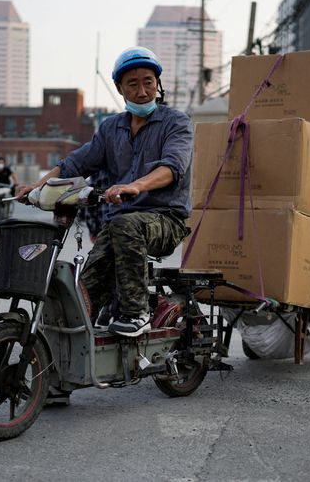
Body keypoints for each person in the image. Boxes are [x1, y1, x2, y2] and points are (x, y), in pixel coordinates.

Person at [17, 46, 192, 337]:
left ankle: (137, 314)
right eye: (133, 84)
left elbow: (173, 167)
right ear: (120, 89)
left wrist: (136, 185)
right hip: (120, 226)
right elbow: (75, 163)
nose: (142, 91)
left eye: (148, 82)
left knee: (124, 225)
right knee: (85, 290)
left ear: (158, 84)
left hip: (165, 220)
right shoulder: (111, 128)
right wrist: (38, 187)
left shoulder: (176, 123)